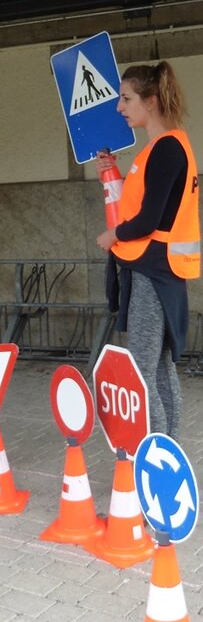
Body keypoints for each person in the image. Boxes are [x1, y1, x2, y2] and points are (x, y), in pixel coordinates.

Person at [95, 61, 200, 439]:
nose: (120, 108)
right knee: (157, 366)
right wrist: (111, 176)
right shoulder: (165, 147)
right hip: (161, 271)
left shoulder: (165, 150)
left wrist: (112, 235)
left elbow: (146, 221)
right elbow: (143, 206)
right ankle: (166, 446)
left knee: (143, 368)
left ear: (150, 101)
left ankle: (153, 451)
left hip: (152, 270)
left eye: (126, 99)